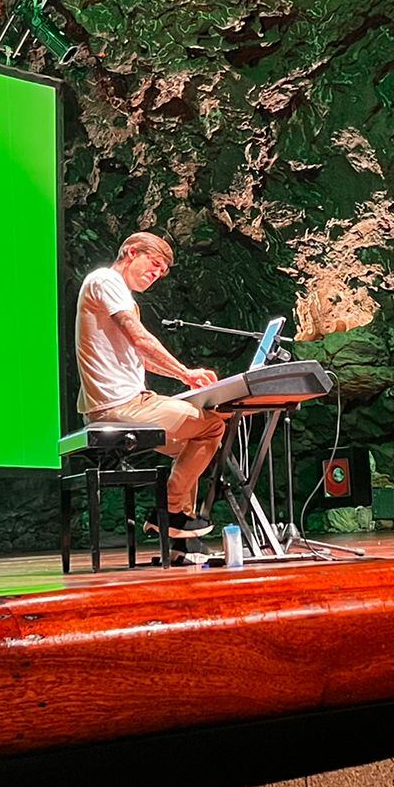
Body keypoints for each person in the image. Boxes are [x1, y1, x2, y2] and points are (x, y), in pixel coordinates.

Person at [75, 231, 229, 555]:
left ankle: (179, 544)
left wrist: (185, 379)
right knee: (213, 425)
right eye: (153, 264)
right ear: (131, 252)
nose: (155, 274)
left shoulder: (113, 291)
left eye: (160, 273)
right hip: (120, 406)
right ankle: (169, 511)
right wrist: (186, 373)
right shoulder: (106, 281)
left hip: (125, 401)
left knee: (192, 442)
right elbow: (141, 339)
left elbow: (140, 357)